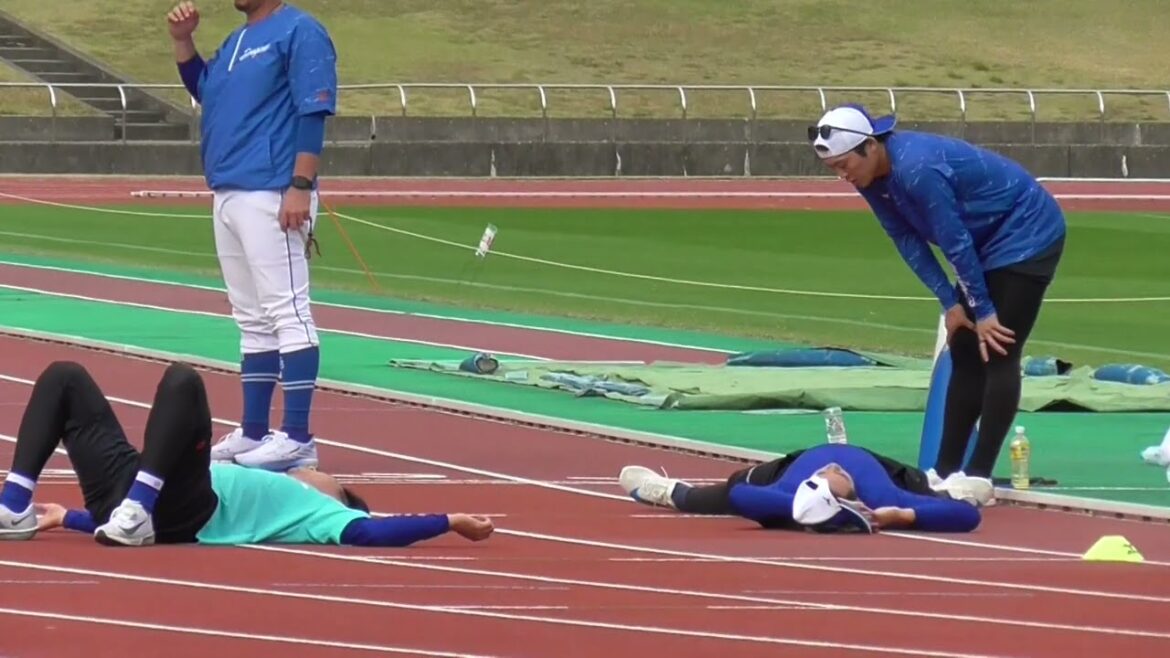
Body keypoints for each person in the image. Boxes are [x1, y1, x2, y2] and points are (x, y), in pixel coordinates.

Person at [808, 104, 1066, 488]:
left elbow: (954, 242)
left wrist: (984, 310)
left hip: (1025, 232)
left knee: (997, 346)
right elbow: (907, 239)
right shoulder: (871, 180)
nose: (843, 175)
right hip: (982, 241)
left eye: (845, 164)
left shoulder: (917, 170)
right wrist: (950, 303)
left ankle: (978, 477)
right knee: (963, 347)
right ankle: (944, 472)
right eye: (834, 169)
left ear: (871, 148)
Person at [0, 361, 494, 548]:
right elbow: (109, 522)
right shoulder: (295, 489)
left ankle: (138, 510)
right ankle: (15, 506)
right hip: (133, 493)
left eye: (324, 475)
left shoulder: (320, 513)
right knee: (64, 378)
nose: (309, 468)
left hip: (187, 510)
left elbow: (375, 530)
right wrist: (70, 518)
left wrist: (447, 520)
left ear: (338, 499)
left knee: (185, 382)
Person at [165, 1, 338, 471]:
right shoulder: (235, 41)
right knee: (251, 318)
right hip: (228, 188)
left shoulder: (300, 31)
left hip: (273, 188)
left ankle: (298, 436)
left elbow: (313, 108)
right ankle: (255, 431)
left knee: (287, 310)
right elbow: (206, 91)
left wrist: (300, 185)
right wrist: (184, 43)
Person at [618, 442, 987, 533]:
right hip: (895, 472)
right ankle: (944, 484)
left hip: (781, 473)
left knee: (720, 493)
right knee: (934, 490)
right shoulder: (882, 498)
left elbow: (740, 496)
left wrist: (795, 499)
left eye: (825, 475)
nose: (830, 467)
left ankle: (669, 491)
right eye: (828, 476)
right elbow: (968, 517)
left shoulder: (791, 495)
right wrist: (903, 516)